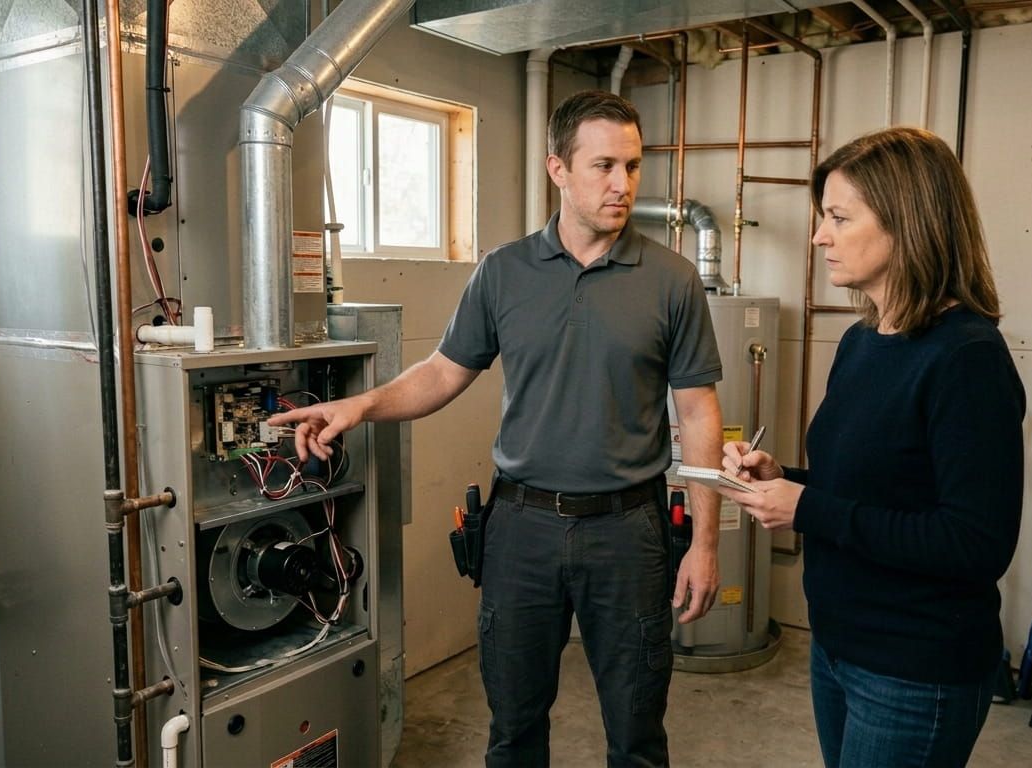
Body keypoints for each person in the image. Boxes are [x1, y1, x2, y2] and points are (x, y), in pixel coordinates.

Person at [269, 89, 723, 768]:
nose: (622, 184)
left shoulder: (673, 280)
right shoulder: (503, 274)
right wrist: (357, 406)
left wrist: (706, 543)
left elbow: (698, 414)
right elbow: (443, 372)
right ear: (557, 168)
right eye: (603, 166)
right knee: (513, 731)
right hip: (522, 531)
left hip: (630, 534)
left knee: (638, 735)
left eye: (632, 166)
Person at [716, 126, 1026, 768]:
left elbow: (976, 544)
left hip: (915, 669)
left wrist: (807, 509)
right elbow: (874, 486)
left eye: (837, 217)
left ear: (906, 223)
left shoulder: (966, 358)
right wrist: (786, 477)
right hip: (838, 648)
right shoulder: (863, 341)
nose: (819, 236)